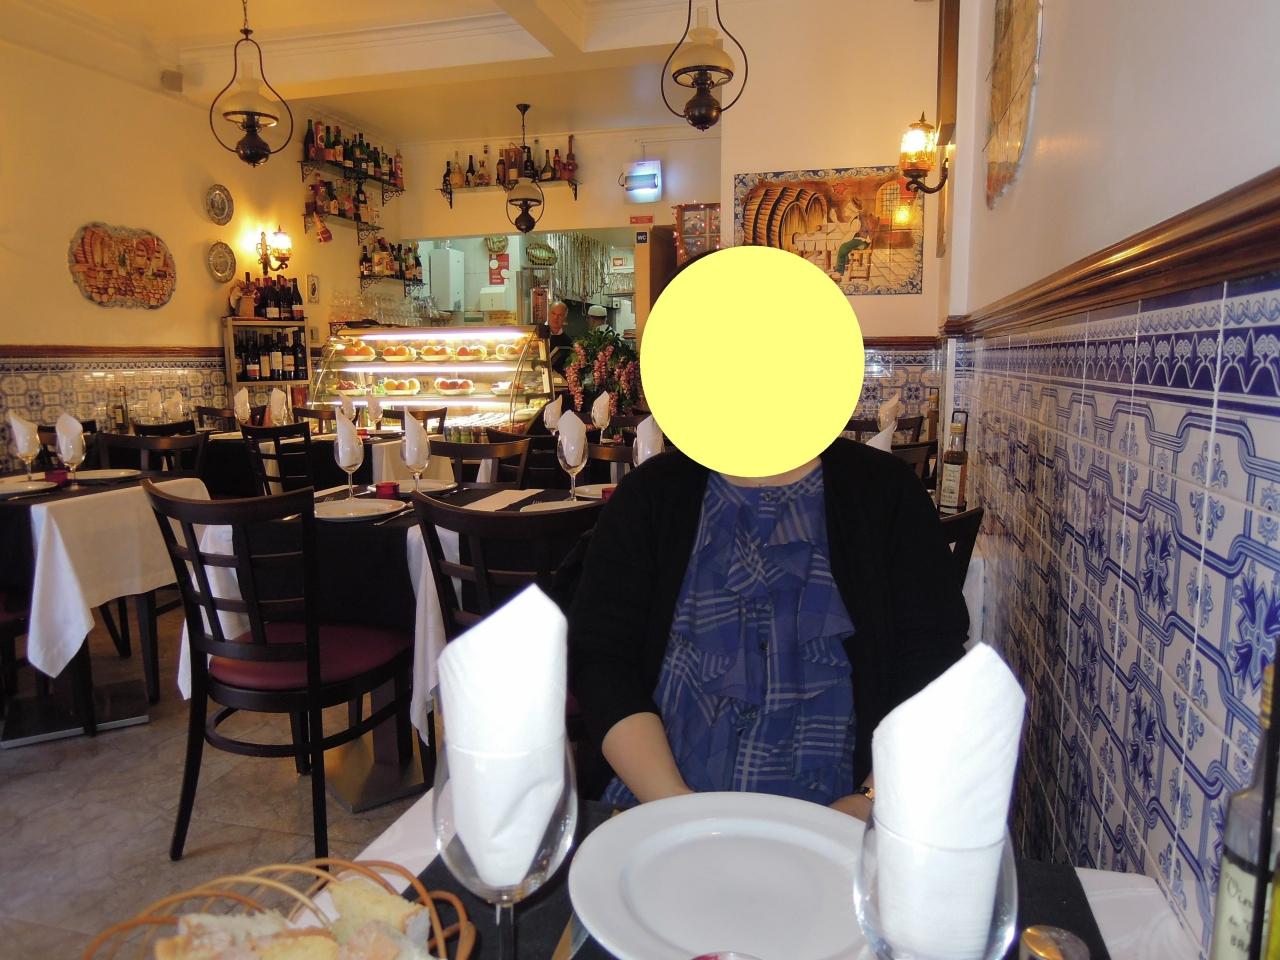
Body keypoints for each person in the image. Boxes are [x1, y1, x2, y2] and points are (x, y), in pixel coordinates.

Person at [568, 438, 968, 819]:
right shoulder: (650, 491)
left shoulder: (887, 490)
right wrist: (672, 804)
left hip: (844, 820)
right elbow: (601, 656)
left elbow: (933, 657)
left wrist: (868, 799)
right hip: (654, 805)